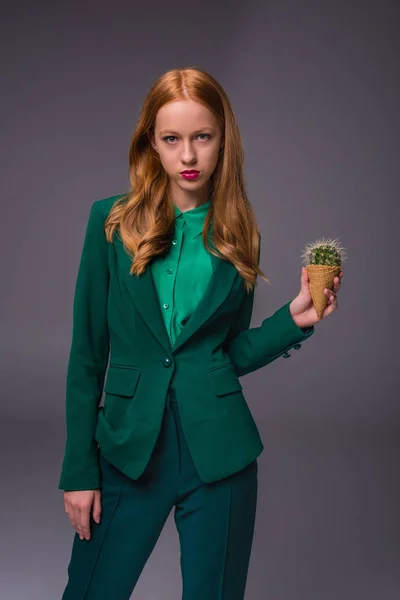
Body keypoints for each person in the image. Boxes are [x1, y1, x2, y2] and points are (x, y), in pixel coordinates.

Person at [59, 66, 343, 600]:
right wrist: (78, 469)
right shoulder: (110, 224)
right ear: (153, 144)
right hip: (126, 450)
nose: (187, 157)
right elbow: (86, 357)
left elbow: (226, 353)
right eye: (172, 139)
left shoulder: (240, 233)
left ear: (222, 140)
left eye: (202, 137)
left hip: (220, 455)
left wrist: (294, 320)